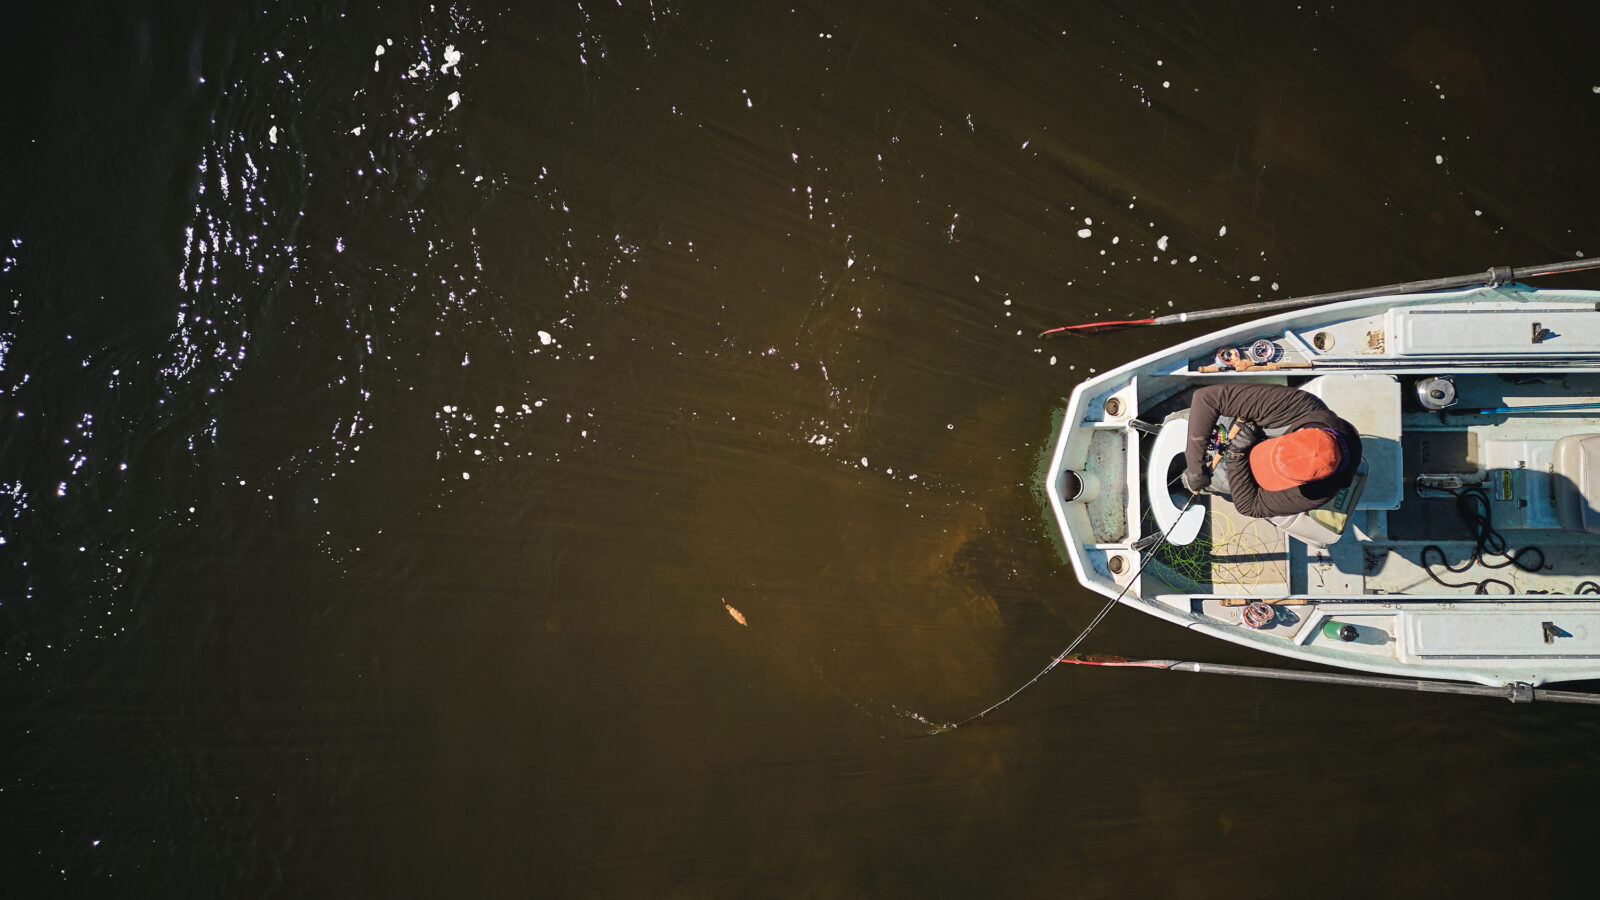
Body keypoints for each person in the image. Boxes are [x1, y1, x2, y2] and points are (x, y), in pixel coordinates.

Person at [1181, 382, 1362, 519]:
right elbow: (1206, 399)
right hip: (1230, 428)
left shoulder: (1318, 492)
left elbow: (1249, 506)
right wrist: (1195, 468)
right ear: (1300, 432)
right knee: (1181, 424)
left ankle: (1182, 484)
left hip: (1240, 470)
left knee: (1203, 482)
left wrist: (1237, 455)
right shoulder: (1299, 405)